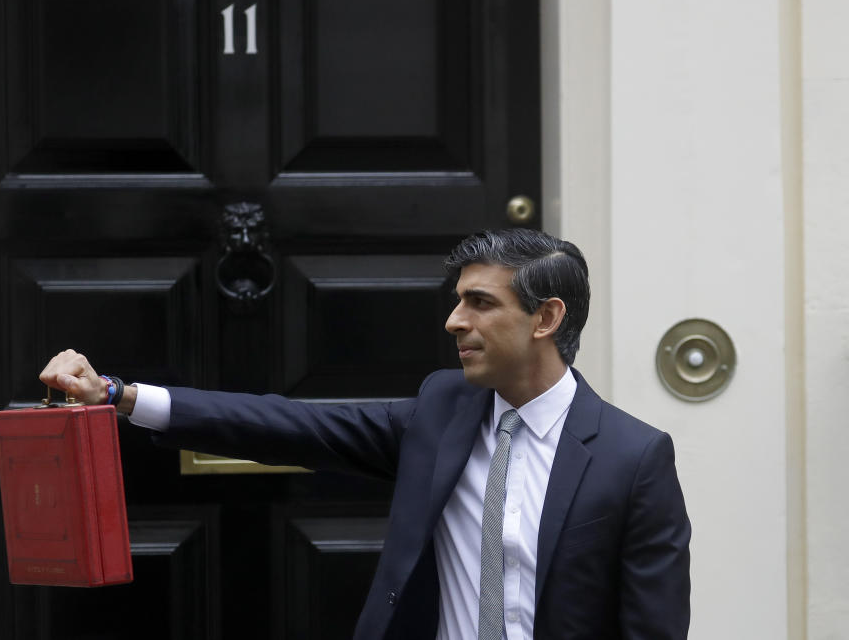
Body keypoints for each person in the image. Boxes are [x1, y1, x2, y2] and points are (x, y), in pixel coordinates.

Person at [40, 228, 691, 640]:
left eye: (480, 303)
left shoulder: (634, 459)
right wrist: (119, 396)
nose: (453, 320)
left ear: (546, 317)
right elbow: (292, 427)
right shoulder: (442, 412)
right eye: (458, 299)